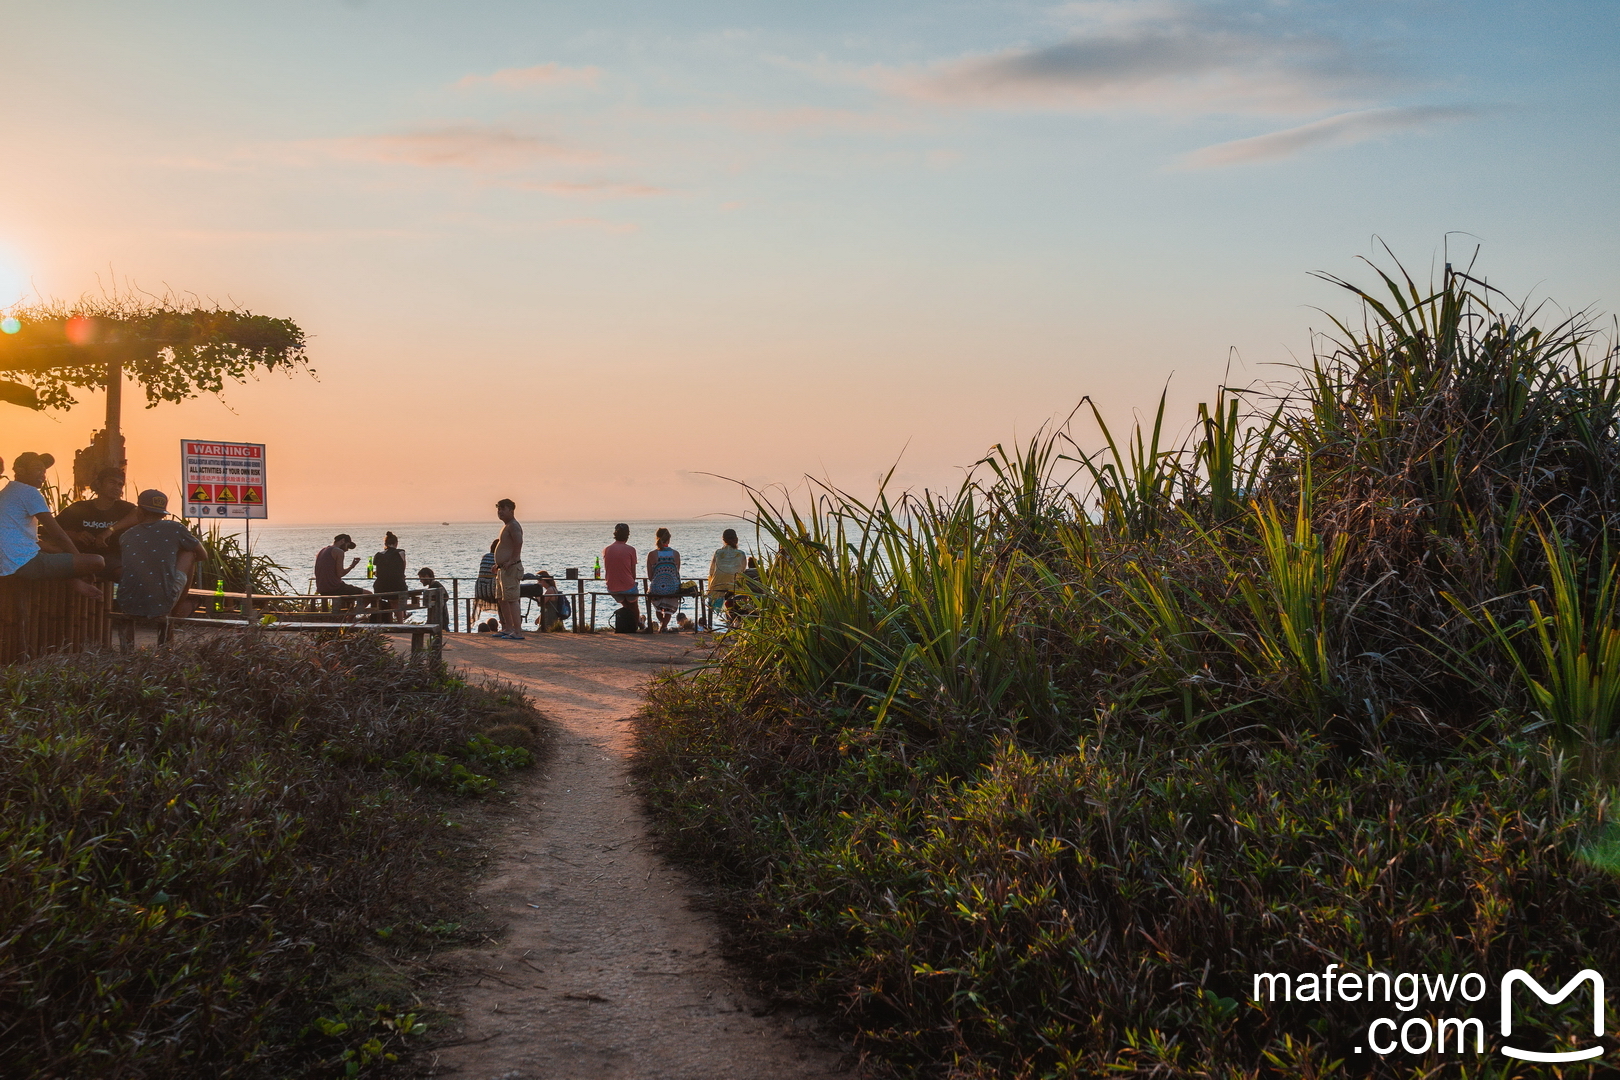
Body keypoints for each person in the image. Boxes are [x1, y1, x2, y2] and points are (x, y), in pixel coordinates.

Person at [0, 452, 105, 598]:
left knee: (57, 551)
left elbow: (26, 539)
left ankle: (74, 582)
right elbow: (58, 534)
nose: (43, 475)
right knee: (97, 561)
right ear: (20, 470)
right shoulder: (28, 492)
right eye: (37, 469)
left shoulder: (7, 493)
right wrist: (81, 567)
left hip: (8, 562)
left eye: (44, 471)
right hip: (20, 564)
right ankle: (76, 581)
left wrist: (58, 552)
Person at [115, 490, 205, 619]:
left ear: (139, 511)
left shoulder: (126, 535)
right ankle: (174, 614)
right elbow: (203, 555)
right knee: (189, 553)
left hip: (127, 603)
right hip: (160, 604)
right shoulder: (175, 528)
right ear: (163, 514)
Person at [55, 467, 137, 580]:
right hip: (81, 558)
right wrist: (75, 535)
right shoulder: (79, 508)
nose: (116, 488)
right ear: (98, 484)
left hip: (113, 560)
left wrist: (109, 531)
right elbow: (49, 530)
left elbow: (141, 515)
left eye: (120, 485)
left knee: (126, 573)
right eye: (112, 482)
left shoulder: (125, 508)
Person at [602, 523, 643, 629]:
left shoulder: (607, 549)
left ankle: (638, 622)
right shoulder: (631, 550)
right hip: (628, 586)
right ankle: (636, 625)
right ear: (627, 535)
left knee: (627, 606)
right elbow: (633, 573)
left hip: (612, 587)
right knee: (634, 606)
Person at [314, 533, 371, 611]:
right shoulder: (338, 551)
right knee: (369, 595)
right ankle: (351, 617)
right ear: (342, 541)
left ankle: (345, 617)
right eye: (347, 546)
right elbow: (340, 573)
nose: (347, 549)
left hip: (322, 589)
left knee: (349, 598)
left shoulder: (322, 550)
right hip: (334, 588)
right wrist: (352, 566)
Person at [493, 498, 524, 640]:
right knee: (502, 599)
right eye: (498, 509)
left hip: (511, 568)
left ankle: (517, 631)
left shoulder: (513, 525)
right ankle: (508, 628)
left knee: (512, 599)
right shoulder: (506, 526)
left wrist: (511, 560)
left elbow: (519, 542)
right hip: (502, 569)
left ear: (511, 510)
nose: (500, 512)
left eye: (503, 509)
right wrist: (498, 564)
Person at [706, 527, 748, 629]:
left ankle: (714, 625)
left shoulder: (718, 553)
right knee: (741, 594)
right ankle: (736, 624)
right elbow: (742, 571)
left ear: (723, 540)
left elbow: (711, 571)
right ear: (736, 539)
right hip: (735, 587)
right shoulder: (741, 554)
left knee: (716, 595)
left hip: (718, 585)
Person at [646, 527, 681, 632]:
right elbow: (676, 572)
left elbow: (650, 576)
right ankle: (663, 626)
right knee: (669, 608)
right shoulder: (675, 554)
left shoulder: (652, 554)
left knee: (658, 606)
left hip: (656, 587)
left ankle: (662, 625)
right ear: (669, 539)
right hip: (672, 588)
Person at [371, 531, 408, 622]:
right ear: (396, 543)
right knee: (397, 600)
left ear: (385, 543)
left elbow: (376, 572)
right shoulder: (401, 553)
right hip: (397, 585)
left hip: (380, 586)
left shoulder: (378, 555)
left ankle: (390, 621)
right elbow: (402, 569)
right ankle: (401, 619)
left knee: (387, 600)